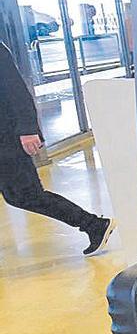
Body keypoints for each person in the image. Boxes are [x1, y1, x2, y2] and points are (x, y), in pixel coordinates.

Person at [0, 41, 115, 255]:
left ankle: (93, 225)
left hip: (5, 139)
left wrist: (28, 129)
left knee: (25, 195)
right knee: (20, 195)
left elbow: (15, 90)